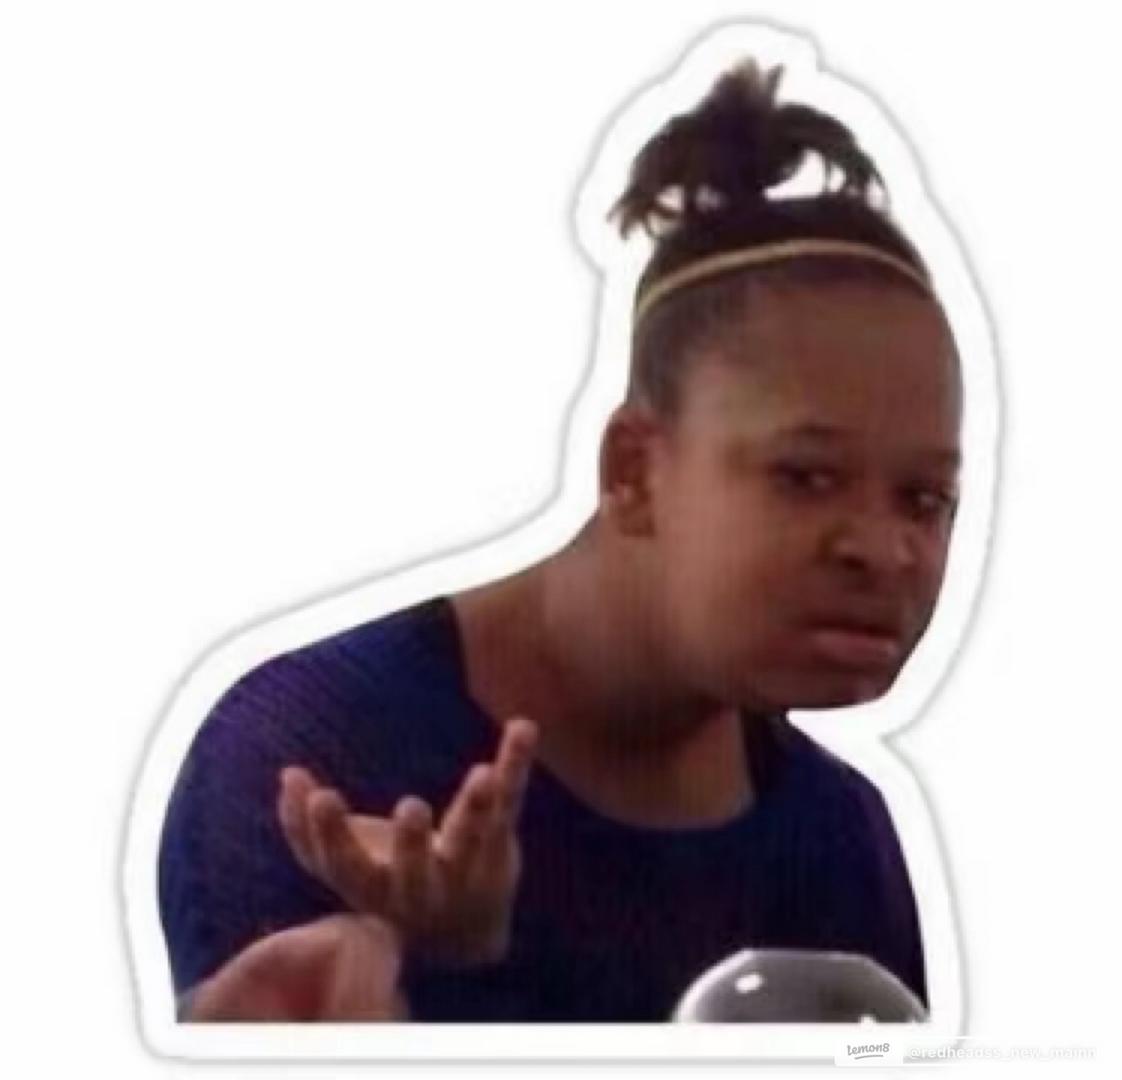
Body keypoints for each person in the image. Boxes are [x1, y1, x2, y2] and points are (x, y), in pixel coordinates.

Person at [159, 58, 960, 1022]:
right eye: (807, 476)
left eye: (925, 498)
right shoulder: (310, 758)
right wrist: (436, 973)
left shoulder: (840, 838)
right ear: (633, 470)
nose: (886, 550)